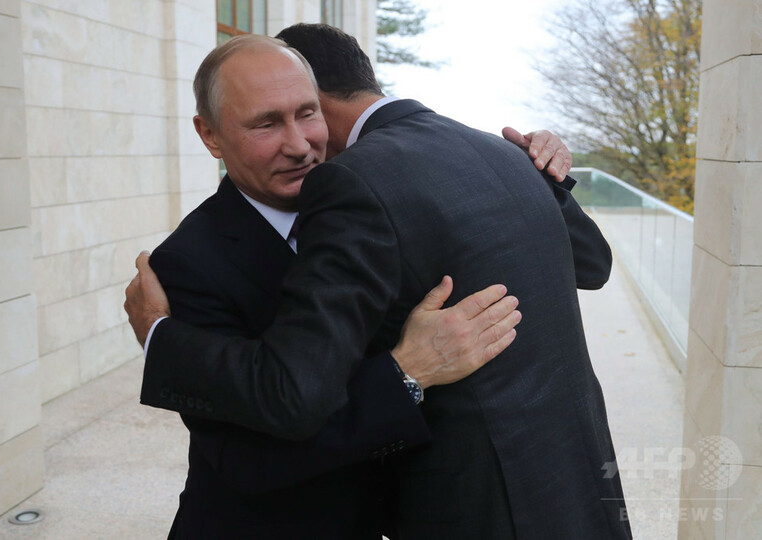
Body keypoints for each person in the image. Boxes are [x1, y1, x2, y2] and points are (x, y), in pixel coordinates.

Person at [126, 28, 630, 539]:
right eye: (266, 124)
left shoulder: (373, 197)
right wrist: (408, 372)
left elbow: (589, 262)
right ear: (210, 135)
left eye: (307, 113)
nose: (299, 146)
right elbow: (246, 458)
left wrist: (542, 174)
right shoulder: (186, 265)